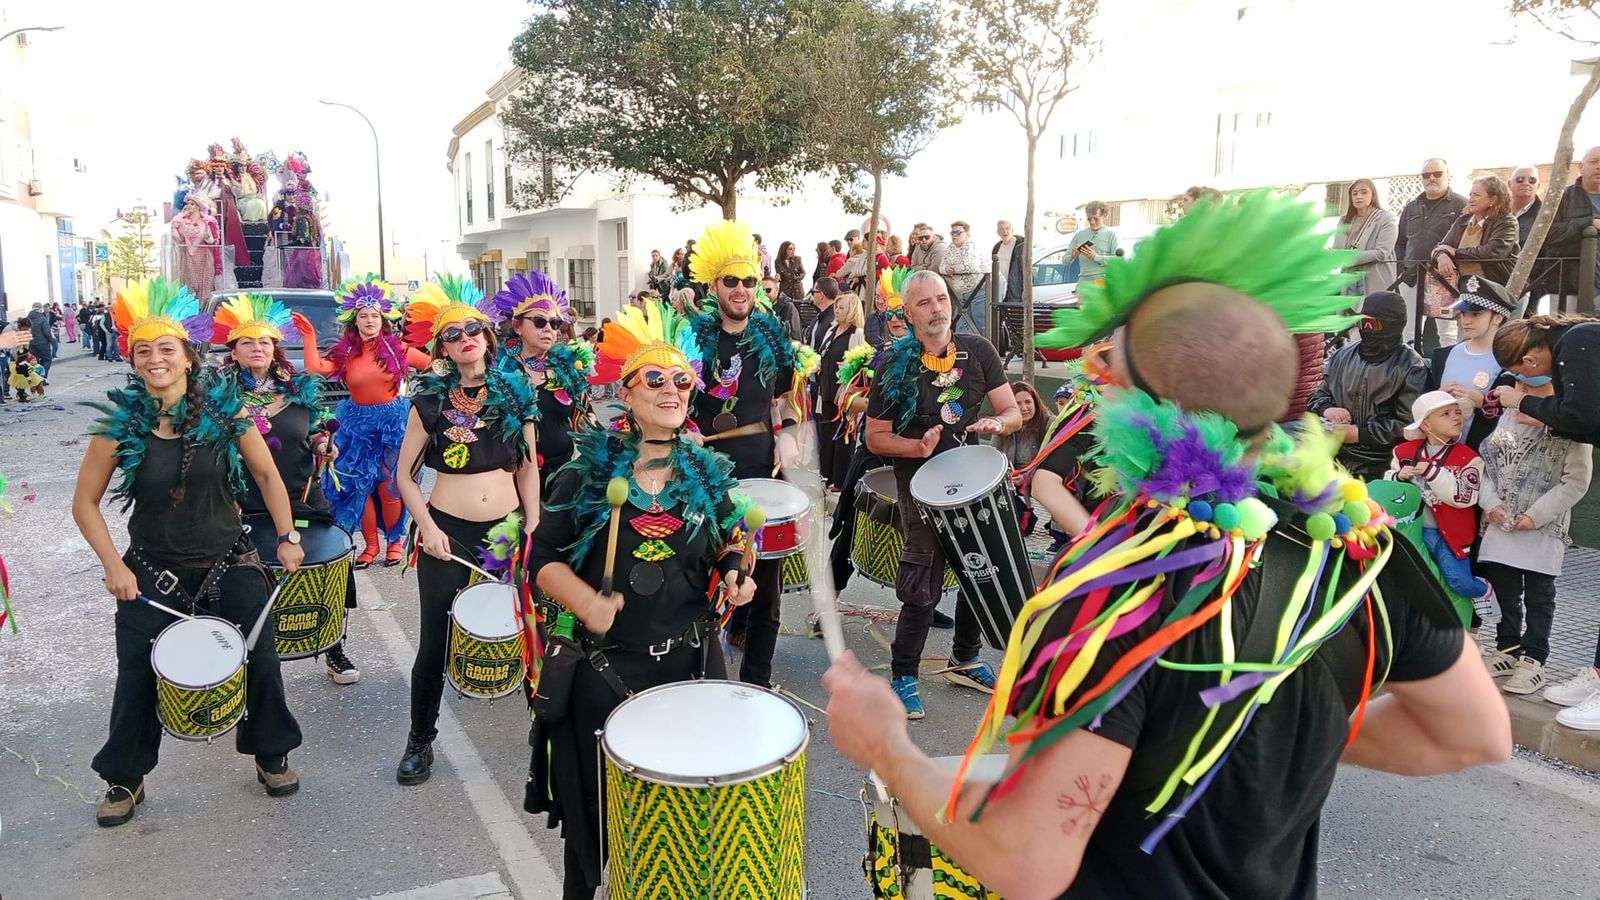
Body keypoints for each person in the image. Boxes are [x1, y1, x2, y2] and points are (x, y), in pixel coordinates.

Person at [824, 190, 1510, 898]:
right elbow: (1475, 734)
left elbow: (1025, 860)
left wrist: (887, 747)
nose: (1094, 381)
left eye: (1108, 368)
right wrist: (1276, 725)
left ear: (1139, 408)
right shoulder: (1356, 545)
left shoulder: (1116, 594)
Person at [523, 299, 756, 899]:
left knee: (684, 821)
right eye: (655, 379)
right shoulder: (587, 474)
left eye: (682, 380)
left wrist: (735, 571)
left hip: (689, 665)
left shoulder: (705, 473)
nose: (672, 389)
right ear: (625, 394)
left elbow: (734, 540)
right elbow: (539, 560)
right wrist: (584, 601)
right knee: (593, 828)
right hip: (606, 670)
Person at [72, 278, 308, 827]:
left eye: (166, 349)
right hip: (151, 569)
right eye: (144, 351)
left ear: (188, 356)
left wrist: (288, 536)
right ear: (133, 362)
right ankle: (125, 779)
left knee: (261, 659)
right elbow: (84, 504)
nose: (156, 359)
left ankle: (271, 753)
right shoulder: (119, 425)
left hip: (230, 558)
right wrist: (113, 567)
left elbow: (268, 476)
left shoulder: (227, 412)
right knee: (135, 673)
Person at [393, 276, 541, 786]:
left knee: (523, 629)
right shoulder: (429, 403)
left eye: (472, 328)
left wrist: (533, 522)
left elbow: (527, 467)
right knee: (435, 641)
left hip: (506, 530)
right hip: (447, 534)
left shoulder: (515, 394)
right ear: (443, 349)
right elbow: (404, 477)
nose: (465, 338)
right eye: (452, 334)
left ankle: (541, 730)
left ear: (488, 336)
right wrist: (427, 527)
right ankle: (419, 740)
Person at [864, 269, 1021, 719]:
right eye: (925, 303)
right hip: (919, 484)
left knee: (979, 568)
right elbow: (876, 437)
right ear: (909, 313)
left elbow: (1010, 410)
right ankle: (903, 674)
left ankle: (965, 658)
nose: (937, 308)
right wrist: (917, 446)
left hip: (970, 479)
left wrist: (998, 424)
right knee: (922, 582)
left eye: (941, 299)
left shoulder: (979, 351)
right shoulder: (894, 364)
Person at [686, 218, 812, 688]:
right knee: (704, 571)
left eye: (749, 281)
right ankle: (706, 676)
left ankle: (757, 680)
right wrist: (688, 431)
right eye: (732, 281)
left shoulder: (773, 336)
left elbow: (786, 397)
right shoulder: (694, 338)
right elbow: (671, 399)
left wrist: (790, 431)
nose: (741, 289)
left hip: (763, 468)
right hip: (705, 471)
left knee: (768, 585)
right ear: (715, 284)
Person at [212, 294, 360, 685]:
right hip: (246, 502)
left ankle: (333, 644)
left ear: (274, 349)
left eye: (264, 342)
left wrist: (323, 446)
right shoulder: (221, 397)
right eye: (247, 342)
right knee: (244, 579)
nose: (257, 348)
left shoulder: (298, 390)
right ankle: (242, 651)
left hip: (301, 495)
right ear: (234, 351)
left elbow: (313, 432)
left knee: (329, 566)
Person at [297, 276, 433, 567]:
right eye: (363, 316)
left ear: (383, 320)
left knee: (390, 485)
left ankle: (394, 542)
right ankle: (370, 546)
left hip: (392, 422)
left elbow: (433, 365)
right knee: (360, 487)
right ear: (354, 321)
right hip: (356, 423)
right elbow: (315, 368)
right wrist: (309, 337)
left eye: (374, 315)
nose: (369, 320)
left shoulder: (398, 351)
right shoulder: (346, 352)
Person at [1478, 369, 1593, 697]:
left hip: (1541, 528)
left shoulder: (1572, 431)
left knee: (1539, 595)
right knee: (1505, 589)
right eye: (1519, 384)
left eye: (1534, 387)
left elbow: (1576, 482)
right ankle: (1508, 647)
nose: (1521, 392)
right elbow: (1489, 467)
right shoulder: (1508, 420)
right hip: (1502, 523)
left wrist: (1536, 515)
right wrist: (1491, 504)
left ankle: (1534, 658)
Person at [1385, 390, 1494, 613]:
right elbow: (1388, 487)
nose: (1456, 417)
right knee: (1416, 580)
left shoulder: (1469, 457)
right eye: (1445, 414)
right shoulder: (1404, 452)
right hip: (1413, 530)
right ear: (1425, 425)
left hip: (1452, 534)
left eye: (1457, 412)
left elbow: (1465, 497)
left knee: (1457, 580)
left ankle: (1483, 590)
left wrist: (1434, 474)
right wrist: (1398, 477)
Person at [489, 271, 593, 491]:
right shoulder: (497, 371)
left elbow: (584, 417)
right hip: (510, 480)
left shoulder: (568, 368)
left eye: (555, 323)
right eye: (539, 321)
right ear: (517, 326)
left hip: (561, 479)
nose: (549, 328)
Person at [1306, 291, 1428, 480]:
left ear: (1393, 325)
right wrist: (1327, 409)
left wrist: (1360, 435)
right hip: (1333, 458)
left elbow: (1411, 424)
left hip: (1383, 465)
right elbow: (1318, 394)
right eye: (1363, 322)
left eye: (1374, 324)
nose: (1368, 329)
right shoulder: (1342, 356)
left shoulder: (1412, 366)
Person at [1427, 276, 1514, 449]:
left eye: (1475, 314)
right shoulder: (1443, 356)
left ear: (1497, 318)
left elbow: (1517, 417)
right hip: (1439, 455)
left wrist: (1484, 403)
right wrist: (1436, 398)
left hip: (1485, 457)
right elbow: (1422, 404)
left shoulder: (1509, 363)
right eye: (1464, 313)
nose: (1466, 320)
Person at [1395, 158, 1468, 349]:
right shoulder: (1411, 206)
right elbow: (1401, 241)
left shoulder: (1461, 205)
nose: (1431, 178)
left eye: (1437, 174)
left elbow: (1466, 241)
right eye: (1426, 175)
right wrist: (1401, 268)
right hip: (1411, 276)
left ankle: (1446, 373)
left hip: (1442, 279)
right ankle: (1411, 373)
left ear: (1448, 175)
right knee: (1409, 330)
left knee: (1447, 332)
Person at [1434, 174, 1520, 294]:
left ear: (1493, 200)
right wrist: (1441, 255)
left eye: (1477, 195)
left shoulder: (1507, 222)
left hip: (1500, 290)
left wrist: (1455, 252)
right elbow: (1442, 246)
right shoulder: (1462, 221)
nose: (1471, 199)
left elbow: (1492, 253)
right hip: (1467, 289)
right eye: (1470, 194)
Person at [816, 289, 866, 490]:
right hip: (826, 389)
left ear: (852, 309)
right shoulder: (831, 330)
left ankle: (840, 479)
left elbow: (861, 364)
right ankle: (826, 475)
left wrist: (848, 370)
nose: (837, 311)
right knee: (826, 433)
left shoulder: (857, 334)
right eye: (836, 307)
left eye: (841, 307)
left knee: (843, 435)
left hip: (843, 392)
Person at [996, 380, 1050, 536]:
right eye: (1017, 403)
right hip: (1011, 481)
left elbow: (1055, 461)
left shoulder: (1049, 424)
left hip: (1042, 477)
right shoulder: (1004, 426)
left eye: (1028, 402)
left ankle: (1059, 529)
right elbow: (994, 456)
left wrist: (1029, 476)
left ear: (1036, 402)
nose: (1024, 408)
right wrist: (1006, 477)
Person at [1337, 178, 1397, 297]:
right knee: (1348, 314)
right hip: (1348, 280)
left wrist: (1349, 258)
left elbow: (1382, 252)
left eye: (1364, 192)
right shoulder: (1345, 220)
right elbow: (1338, 250)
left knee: (1372, 313)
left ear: (1373, 195)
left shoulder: (1386, 219)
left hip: (1374, 280)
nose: (1359, 196)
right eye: (1354, 193)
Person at [1067, 202, 1120, 284]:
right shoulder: (1079, 235)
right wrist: (1073, 256)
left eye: (1096, 219)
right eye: (1089, 219)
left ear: (1104, 216)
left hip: (1104, 282)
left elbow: (1118, 260)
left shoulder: (1111, 235)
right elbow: (1064, 260)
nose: (1092, 222)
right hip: (1083, 283)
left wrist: (1096, 257)